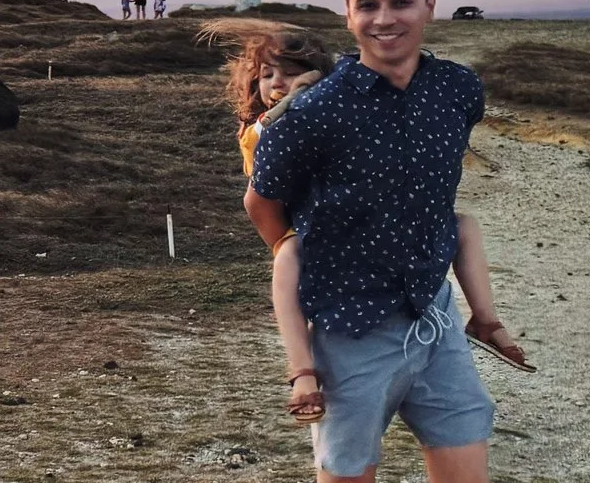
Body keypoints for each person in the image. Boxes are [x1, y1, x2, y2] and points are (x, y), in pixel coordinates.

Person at [244, 0, 512, 483]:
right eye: (368, 4)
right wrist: (306, 272)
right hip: (350, 332)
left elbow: (444, 196)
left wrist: (475, 305)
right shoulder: (310, 115)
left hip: (432, 323)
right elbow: (263, 206)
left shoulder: (459, 90)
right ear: (348, 13)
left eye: (401, 0)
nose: (385, 17)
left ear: (430, 3)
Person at [217, 21, 529, 424]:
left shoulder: (330, 104)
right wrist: (297, 96)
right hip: (308, 226)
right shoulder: (266, 124)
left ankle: (486, 320)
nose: (279, 82)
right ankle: (301, 371)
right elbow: (263, 166)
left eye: (291, 72)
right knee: (287, 262)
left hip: (355, 220)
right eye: (268, 75)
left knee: (463, 225)